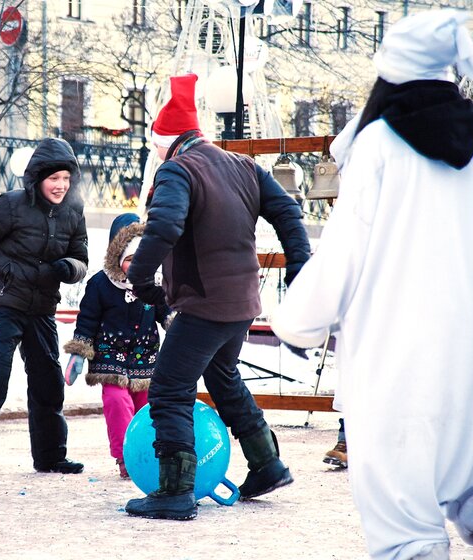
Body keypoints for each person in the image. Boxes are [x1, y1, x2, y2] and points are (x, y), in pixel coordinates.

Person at [270, 10, 473, 559]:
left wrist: (297, 321)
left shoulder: (379, 148)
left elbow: (343, 255)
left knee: (406, 531)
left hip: (400, 373)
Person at [123, 73, 311, 520]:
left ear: (166, 141)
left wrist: (141, 279)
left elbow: (164, 226)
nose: (155, 155)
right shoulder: (244, 166)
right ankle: (267, 463)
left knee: (169, 389)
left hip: (203, 304)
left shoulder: (177, 169)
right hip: (242, 303)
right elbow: (288, 211)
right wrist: (300, 268)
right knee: (223, 376)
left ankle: (175, 491)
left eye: (155, 146)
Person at [0, 137, 89, 483]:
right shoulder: (11, 204)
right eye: (54, 178)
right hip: (4, 304)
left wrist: (69, 268)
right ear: (38, 178)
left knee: (48, 381)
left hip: (42, 308)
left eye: (66, 178)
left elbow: (81, 258)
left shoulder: (73, 211)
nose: (60, 185)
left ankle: (51, 456)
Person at [63, 213, 171, 479]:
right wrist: (78, 354)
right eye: (130, 259)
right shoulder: (100, 284)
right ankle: (126, 456)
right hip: (109, 356)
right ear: (116, 255)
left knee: (147, 406)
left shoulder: (153, 284)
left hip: (145, 357)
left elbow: (166, 313)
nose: (136, 266)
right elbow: (87, 321)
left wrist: (183, 333)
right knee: (117, 401)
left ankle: (148, 454)